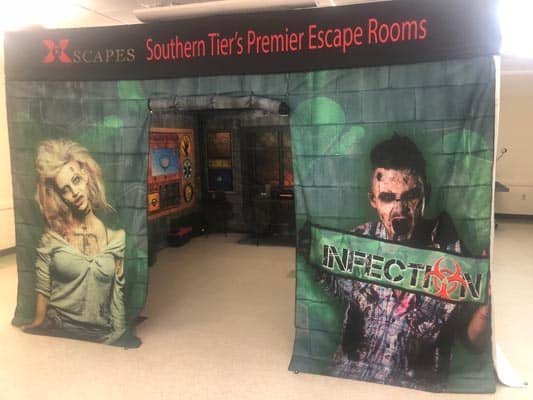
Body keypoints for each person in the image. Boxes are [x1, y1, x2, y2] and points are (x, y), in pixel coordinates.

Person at [326, 134, 490, 389]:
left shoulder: (452, 255)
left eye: (410, 196)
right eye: (387, 197)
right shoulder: (356, 244)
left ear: (426, 194)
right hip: (350, 382)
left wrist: (485, 308)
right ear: (373, 200)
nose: (400, 211)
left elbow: (473, 343)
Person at [22, 139, 127, 345]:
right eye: (65, 189)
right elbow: (43, 286)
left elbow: (118, 295)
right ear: (61, 196)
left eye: (76, 180)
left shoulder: (116, 239)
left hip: (100, 333)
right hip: (57, 325)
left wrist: (118, 334)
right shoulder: (52, 239)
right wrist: (38, 322)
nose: (75, 193)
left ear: (86, 175)